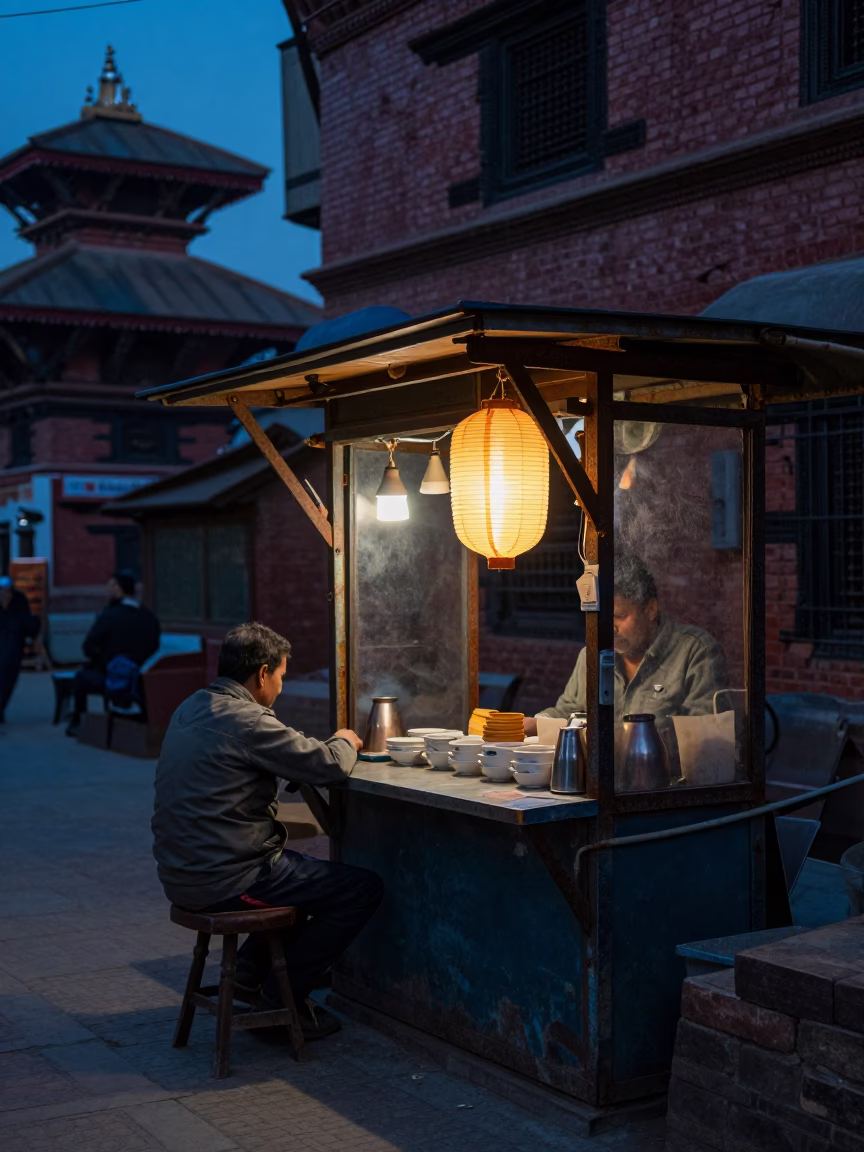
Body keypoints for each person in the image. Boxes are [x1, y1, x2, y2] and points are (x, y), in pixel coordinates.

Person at [152, 621, 382, 1041]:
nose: (280, 687)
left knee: (300, 875)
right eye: (280, 676)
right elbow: (328, 765)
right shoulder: (248, 720)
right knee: (359, 889)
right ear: (262, 673)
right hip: (225, 879)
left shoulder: (190, 707)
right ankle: (280, 999)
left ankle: (246, 972)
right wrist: (345, 739)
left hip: (179, 873)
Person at [525, 551, 727, 737]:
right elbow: (568, 711)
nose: (609, 627)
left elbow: (703, 740)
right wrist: (533, 724)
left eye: (619, 616)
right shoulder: (592, 655)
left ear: (650, 610)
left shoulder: (696, 652)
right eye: (602, 618)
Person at [66, 571, 160, 736]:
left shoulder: (109, 616)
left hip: (111, 677)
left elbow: (89, 646)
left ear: (118, 588)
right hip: (140, 676)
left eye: (110, 586)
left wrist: (99, 659)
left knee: (81, 678)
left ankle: (77, 722)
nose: (107, 590)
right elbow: (154, 646)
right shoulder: (148, 617)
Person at [0, 576, 38, 727]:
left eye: (6, 592)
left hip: (13, 646)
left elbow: (26, 623)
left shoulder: (19, 602)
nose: (4, 595)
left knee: (7, 679)